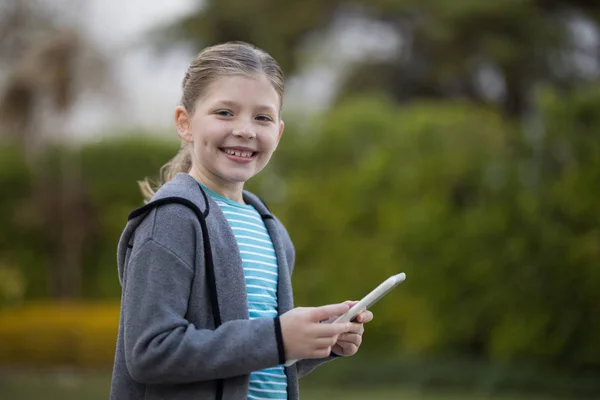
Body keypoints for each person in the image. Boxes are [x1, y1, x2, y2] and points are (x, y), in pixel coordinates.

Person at [109, 41, 373, 400]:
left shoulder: (271, 230)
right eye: (225, 113)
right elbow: (150, 352)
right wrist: (278, 337)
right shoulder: (171, 220)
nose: (246, 130)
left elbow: (257, 362)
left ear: (278, 133)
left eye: (262, 117)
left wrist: (319, 341)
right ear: (185, 123)